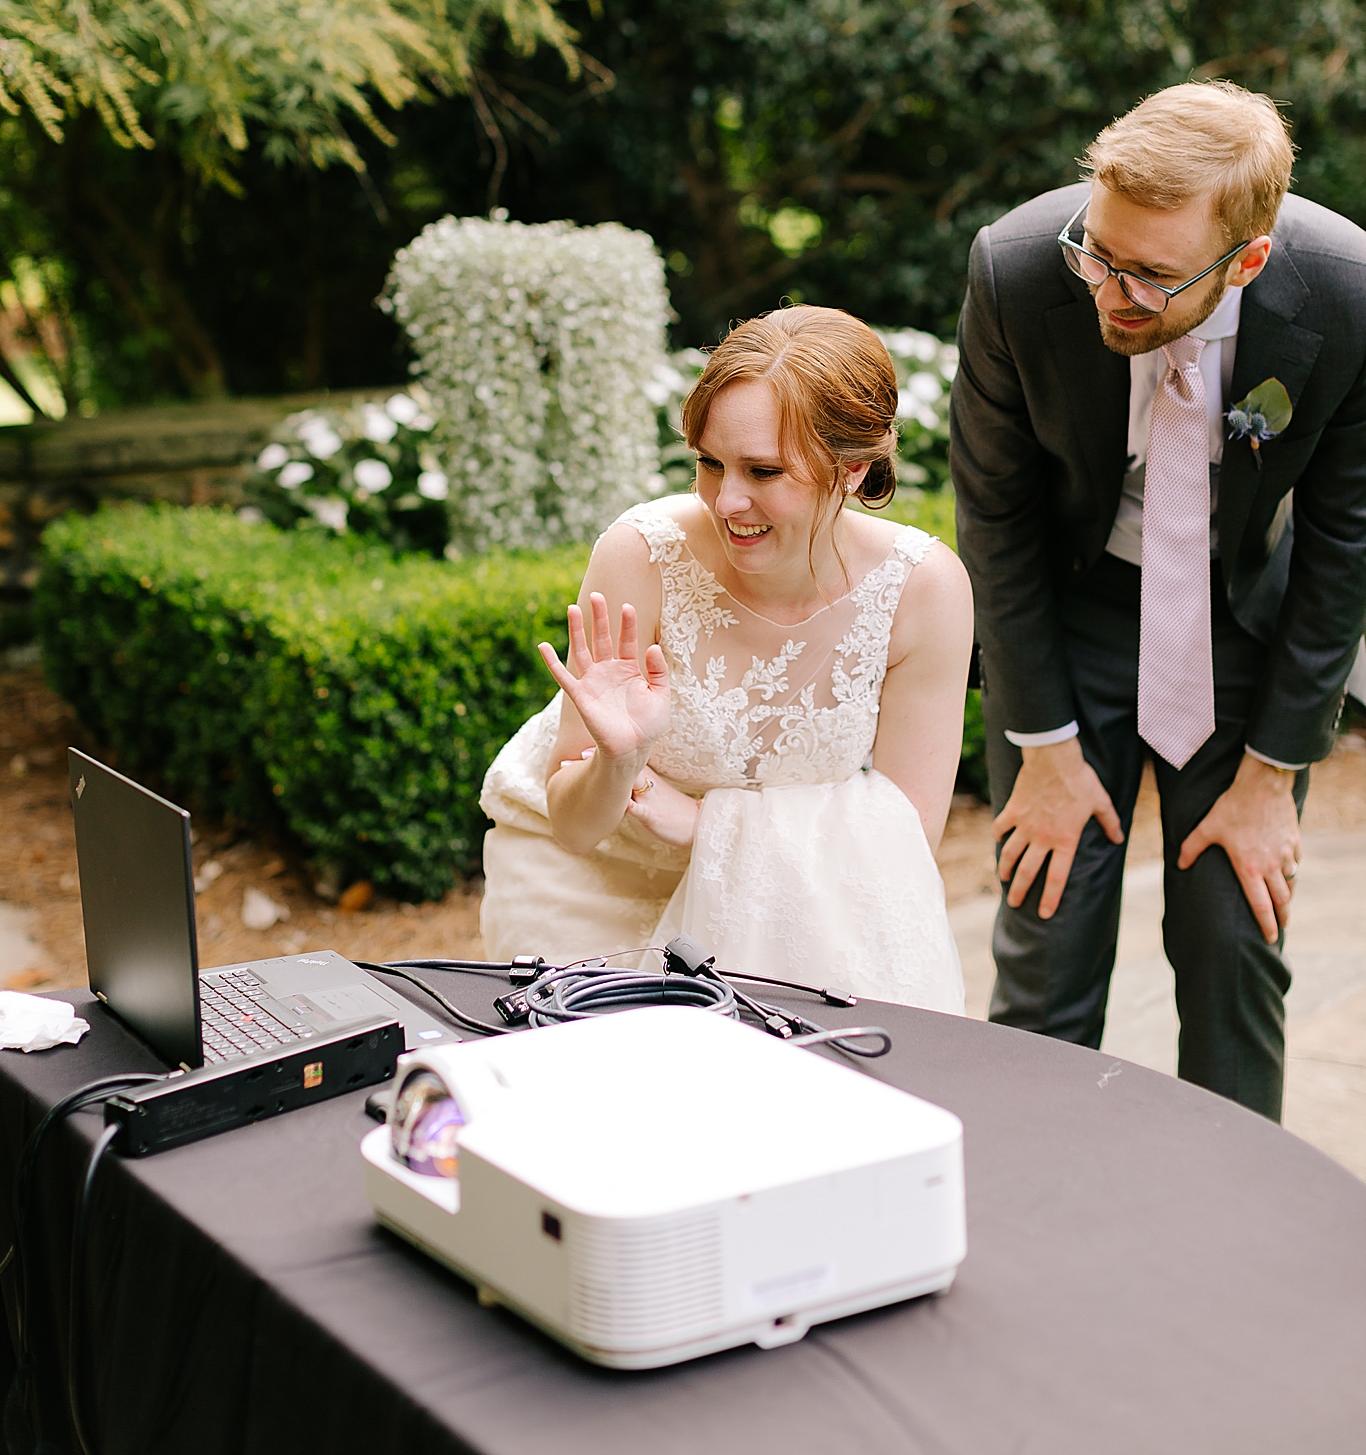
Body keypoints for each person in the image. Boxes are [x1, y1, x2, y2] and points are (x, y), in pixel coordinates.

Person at [949, 80, 1366, 1120]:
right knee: (1047, 935)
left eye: (1149, 277)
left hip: (1236, 629)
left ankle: (1232, 1238)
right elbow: (992, 518)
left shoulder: (1348, 295)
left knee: (1233, 943)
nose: (1109, 291)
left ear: (1248, 261)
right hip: (1072, 612)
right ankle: (1033, 1224)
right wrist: (1040, 744)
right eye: (1098, 252)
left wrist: (1274, 772)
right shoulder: (1016, 268)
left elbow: (1343, 543)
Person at [479, 305, 971, 1010]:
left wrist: (711, 828)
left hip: (783, 905)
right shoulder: (641, 554)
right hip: (595, 887)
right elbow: (576, 828)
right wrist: (620, 764)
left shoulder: (924, 589)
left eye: (764, 471)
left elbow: (906, 838)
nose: (726, 499)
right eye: (709, 463)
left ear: (855, 471)